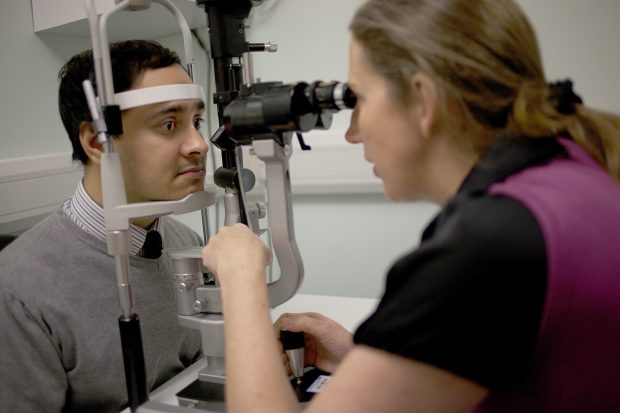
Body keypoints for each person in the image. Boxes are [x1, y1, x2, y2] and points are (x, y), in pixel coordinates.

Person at [200, 0, 620, 412]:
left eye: (360, 100)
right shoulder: (572, 166)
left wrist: (240, 278)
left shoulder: (487, 245)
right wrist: (368, 360)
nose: (354, 134)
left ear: (422, 99)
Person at [0, 40, 207, 412]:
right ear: (97, 142)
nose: (198, 144)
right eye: (169, 124)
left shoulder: (186, 244)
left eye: (197, 122)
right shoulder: (17, 292)